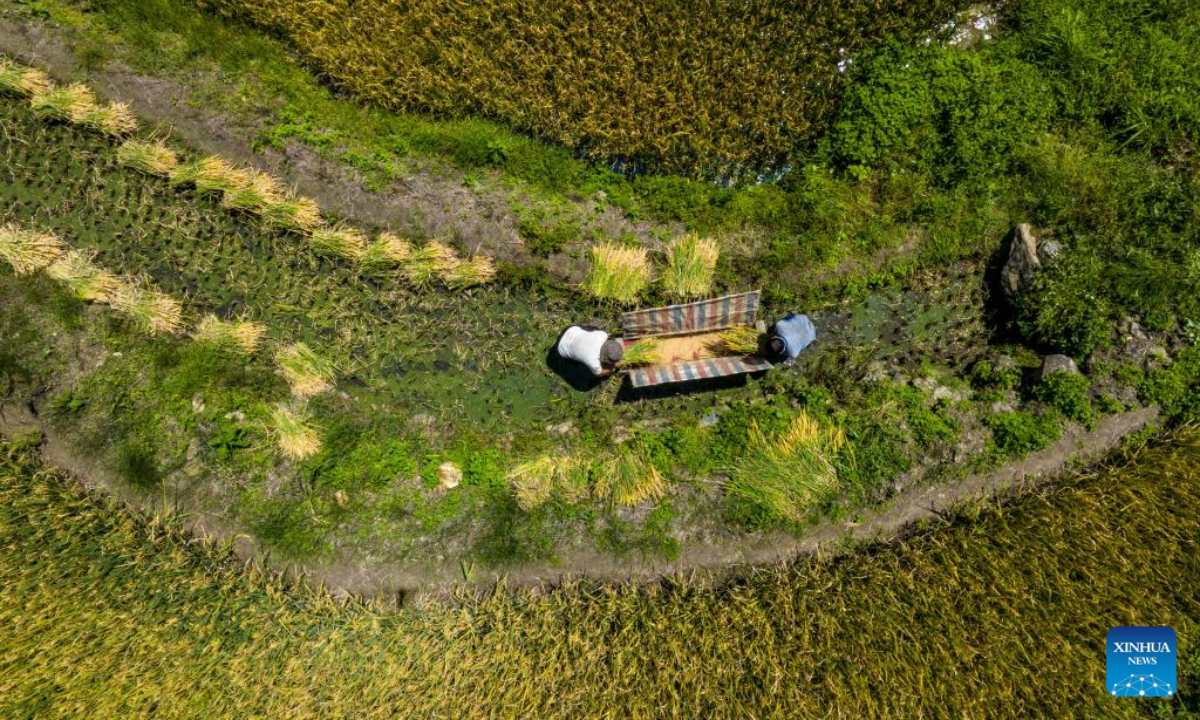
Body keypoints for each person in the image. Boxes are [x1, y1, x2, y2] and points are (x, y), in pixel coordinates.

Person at [557, 325, 624, 377]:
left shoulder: (602, 335)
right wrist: (612, 367)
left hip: (570, 329)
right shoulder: (593, 362)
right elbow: (599, 374)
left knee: (592, 329)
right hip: (561, 348)